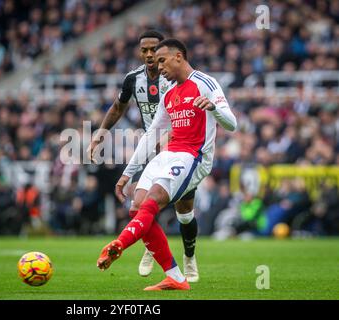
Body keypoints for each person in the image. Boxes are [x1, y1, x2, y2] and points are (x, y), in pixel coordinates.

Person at [96, 39, 237, 290]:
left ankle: (119, 243)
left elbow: (232, 124)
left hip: (194, 156)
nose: (158, 67)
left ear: (179, 57)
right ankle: (176, 277)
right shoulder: (169, 94)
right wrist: (127, 174)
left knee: (157, 201)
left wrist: (214, 108)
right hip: (168, 154)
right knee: (137, 207)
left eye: (162, 60)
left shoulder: (206, 83)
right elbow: (151, 135)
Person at [87, 30, 200, 282]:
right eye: (144, 50)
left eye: (154, 49)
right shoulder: (133, 79)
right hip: (151, 149)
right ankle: (152, 249)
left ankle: (189, 256)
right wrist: (101, 133)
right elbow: (118, 107)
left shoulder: (174, 77)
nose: (149, 54)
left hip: (181, 149)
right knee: (141, 205)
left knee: (185, 213)